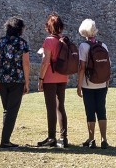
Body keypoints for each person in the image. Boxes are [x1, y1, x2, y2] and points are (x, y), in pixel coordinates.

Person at [0, 16, 30, 148]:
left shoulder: (0, 42)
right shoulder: (22, 43)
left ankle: (5, 139)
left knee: (6, 110)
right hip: (17, 80)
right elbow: (26, 63)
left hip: (3, 79)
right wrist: (27, 82)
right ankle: (5, 141)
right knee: (11, 111)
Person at [76, 19, 110, 149]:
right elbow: (108, 66)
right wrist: (107, 82)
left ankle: (91, 139)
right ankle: (104, 139)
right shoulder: (104, 46)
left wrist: (79, 85)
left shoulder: (84, 46)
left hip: (88, 84)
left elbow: (82, 67)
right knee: (102, 111)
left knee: (90, 111)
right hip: (102, 84)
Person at [37, 13, 68, 148]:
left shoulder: (49, 41)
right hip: (63, 76)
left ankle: (51, 138)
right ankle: (64, 137)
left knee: (51, 108)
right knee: (60, 106)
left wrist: (40, 78)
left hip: (50, 77)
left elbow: (45, 62)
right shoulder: (64, 40)